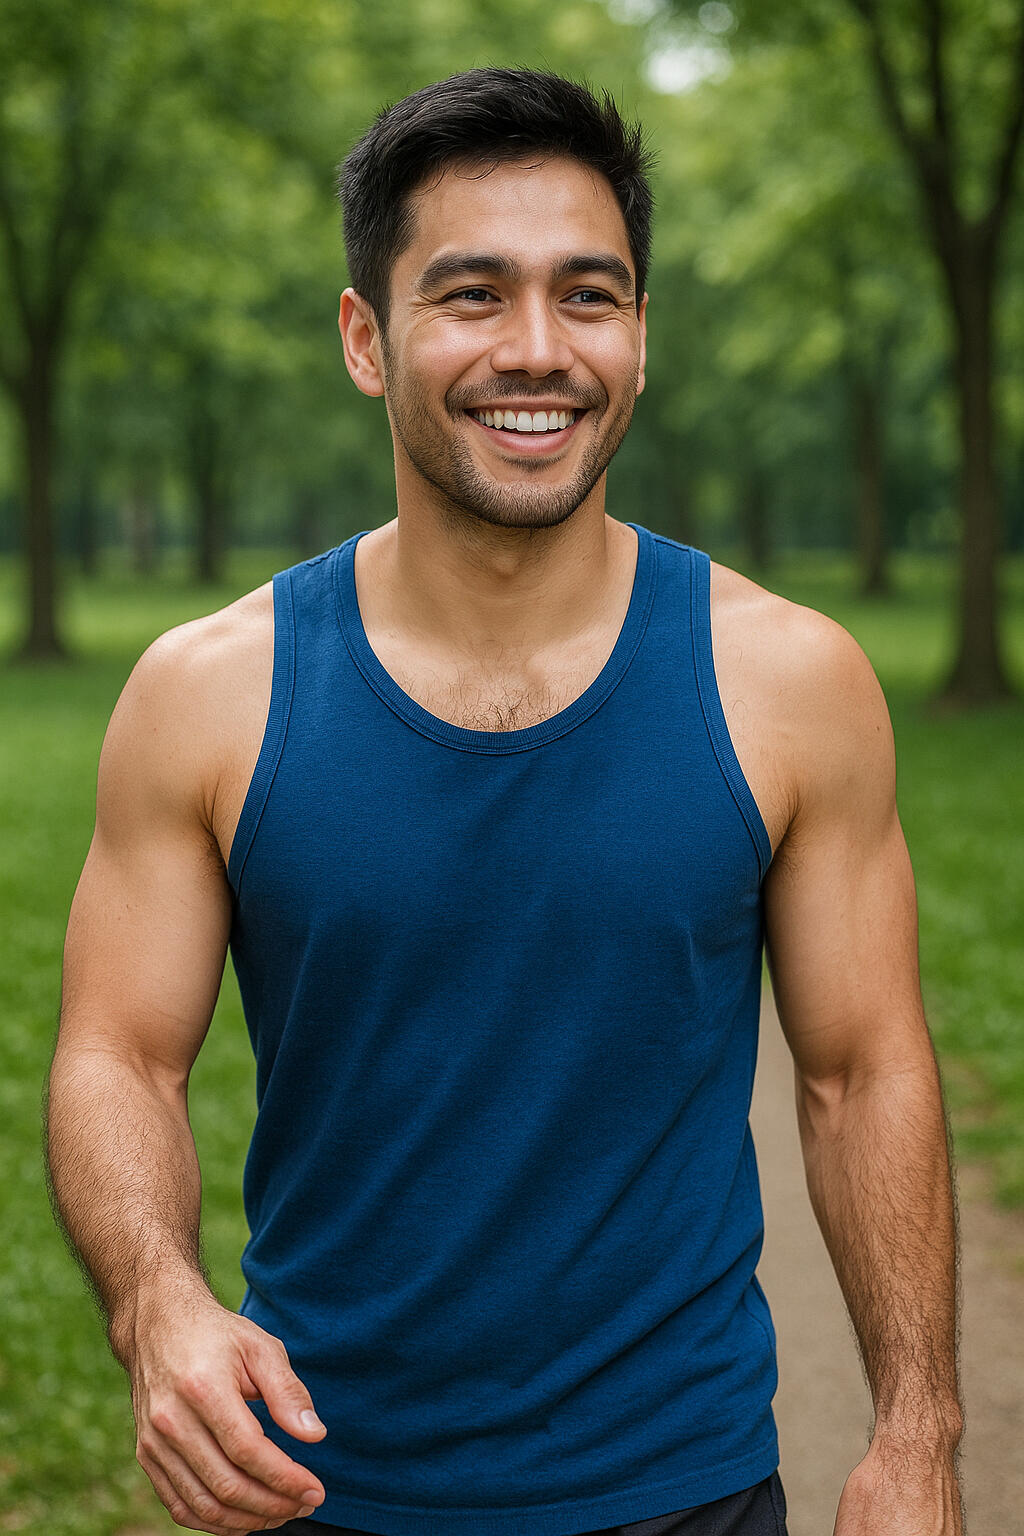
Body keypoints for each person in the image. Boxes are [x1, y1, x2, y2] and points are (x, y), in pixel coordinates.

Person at [45, 67, 964, 1536]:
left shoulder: (793, 681)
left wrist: (915, 1438)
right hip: (317, 1482)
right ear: (367, 336)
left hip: (687, 1488)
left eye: (588, 296)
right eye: (472, 295)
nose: (538, 351)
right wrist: (158, 1302)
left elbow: (863, 1075)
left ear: (643, 337)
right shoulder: (208, 694)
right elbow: (117, 1055)